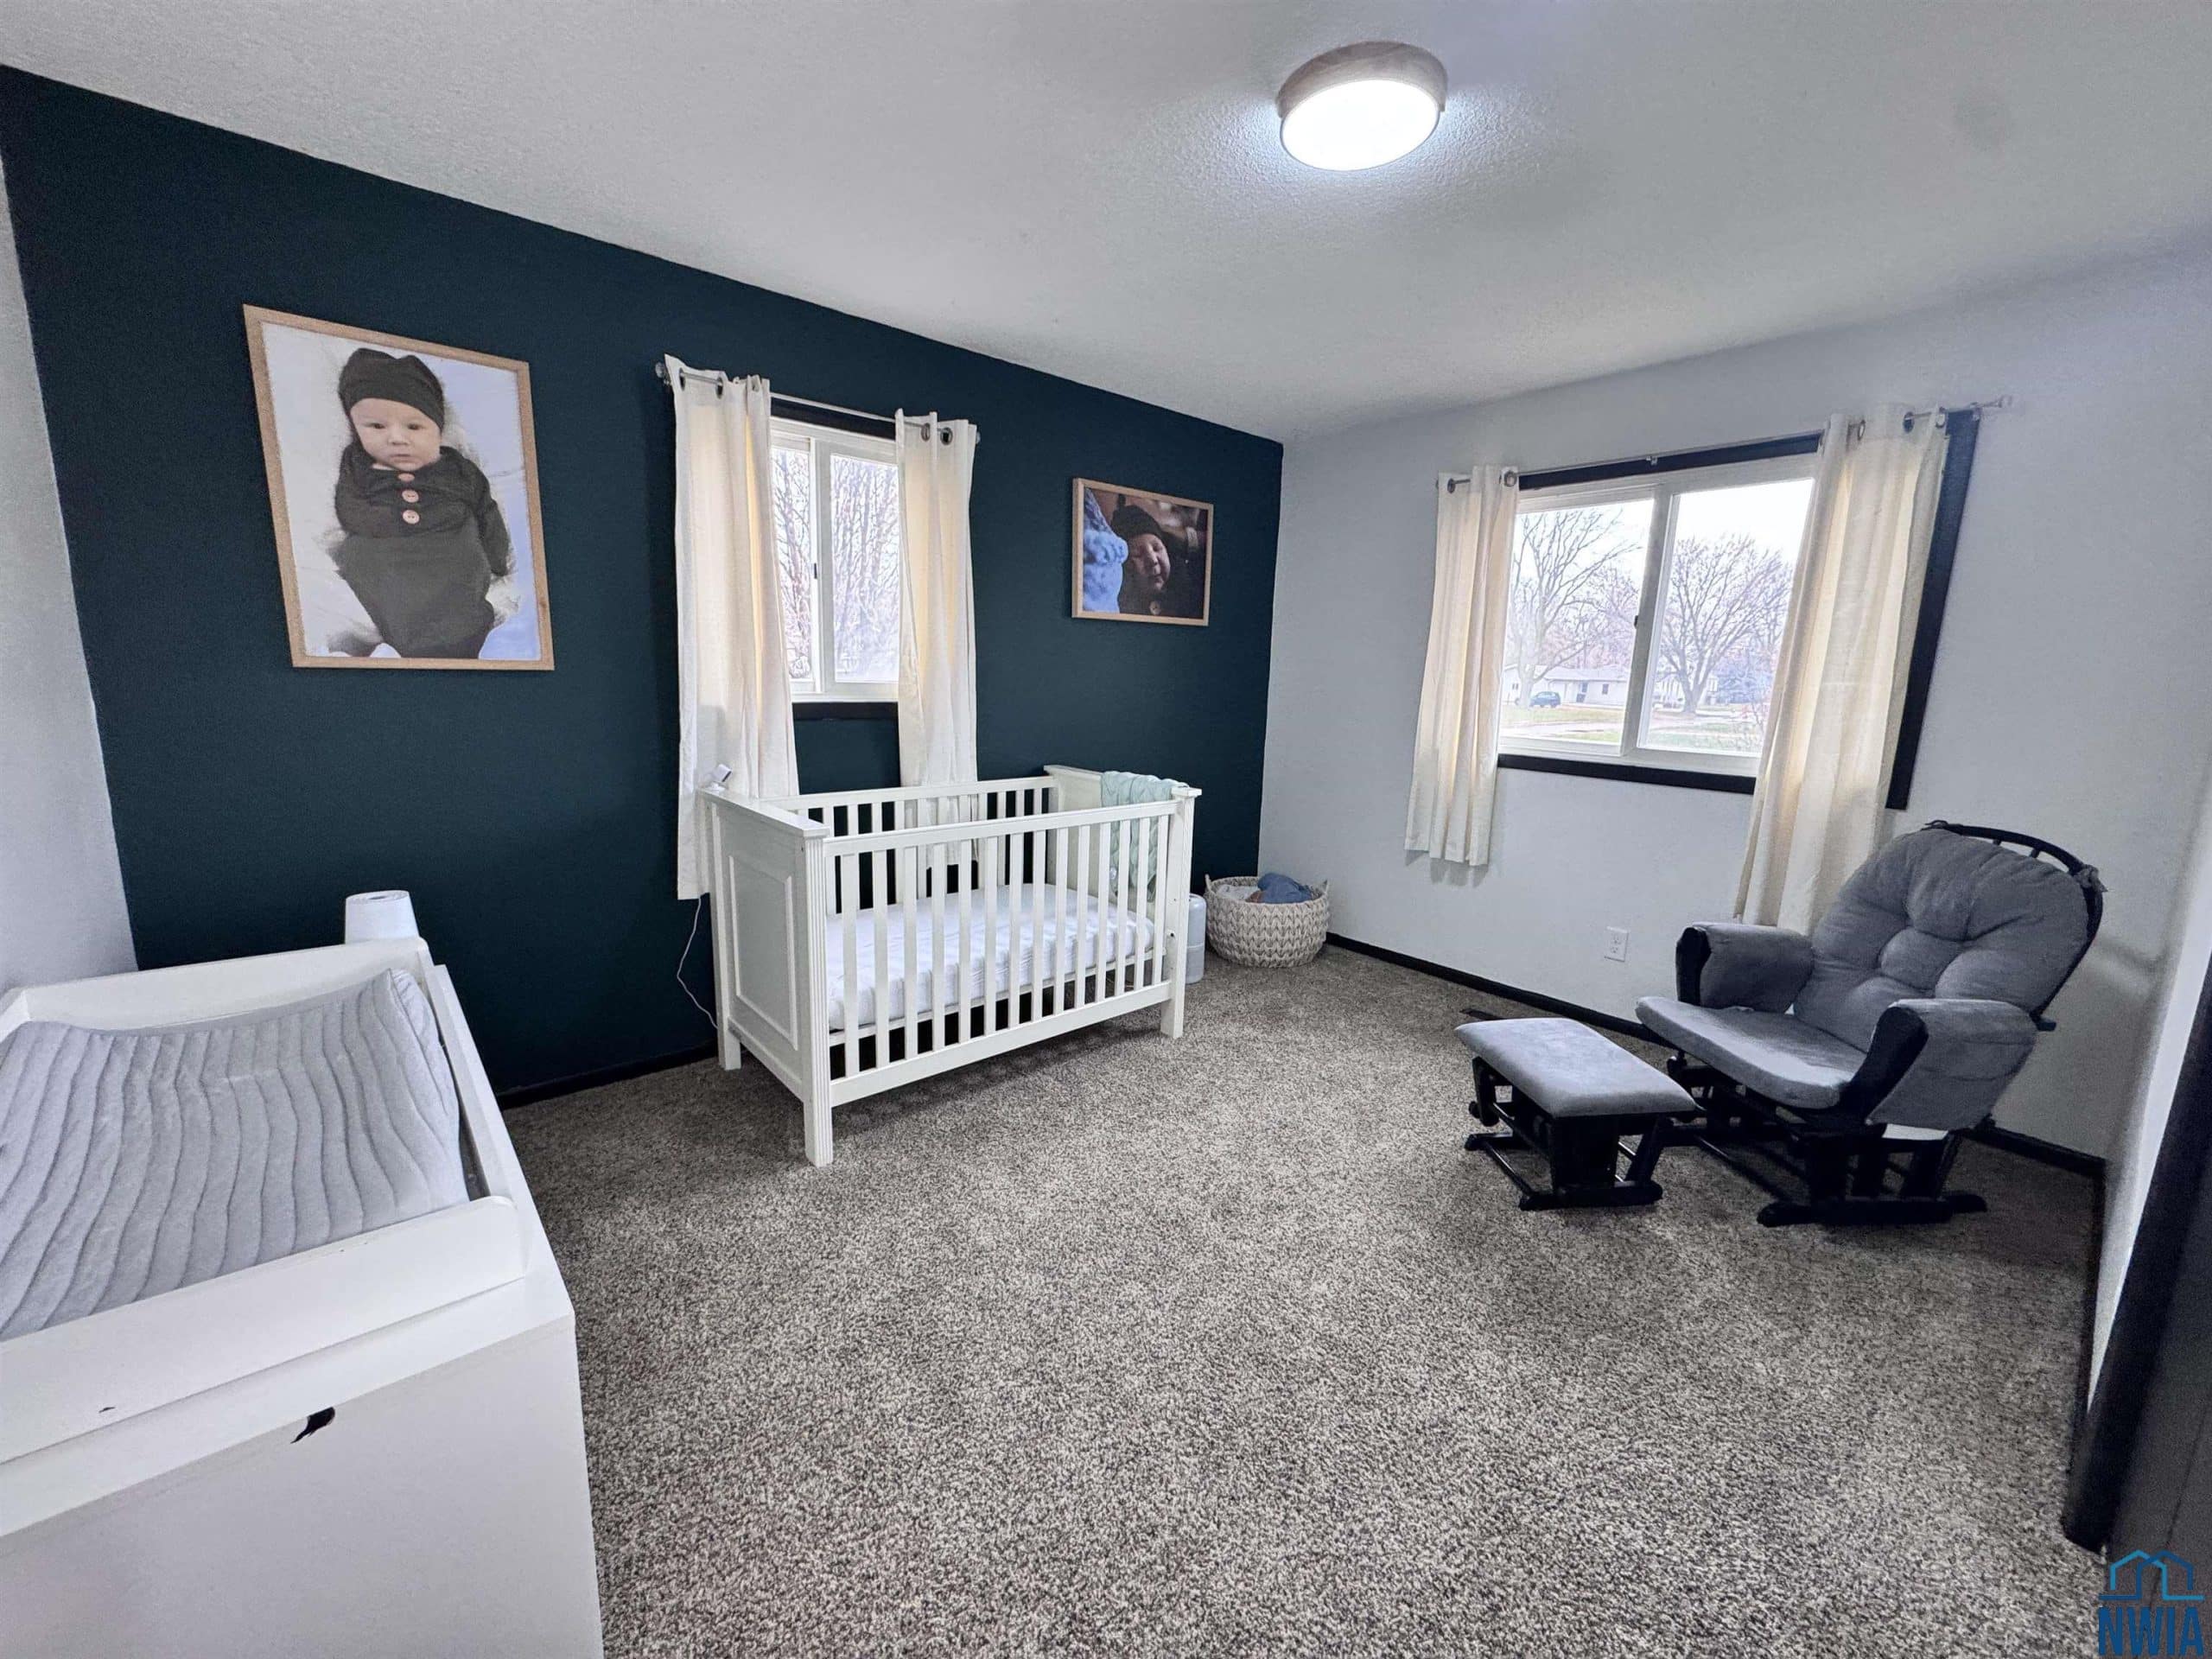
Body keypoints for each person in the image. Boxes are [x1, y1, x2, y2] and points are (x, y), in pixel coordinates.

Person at [327, 348, 514, 658]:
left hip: (449, 543)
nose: (396, 438)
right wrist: (387, 525)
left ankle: (462, 633)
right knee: (358, 554)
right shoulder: (358, 464)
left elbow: (486, 512)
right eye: (376, 427)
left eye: (414, 427)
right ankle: (405, 639)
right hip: (386, 548)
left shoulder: (458, 469)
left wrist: (497, 559)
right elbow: (349, 508)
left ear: (438, 429)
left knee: (466, 557)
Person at [1109, 502, 1173, 616]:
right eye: (1138, 555)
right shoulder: (1121, 605)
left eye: (1157, 548)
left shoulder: (1187, 589)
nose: (1153, 561)